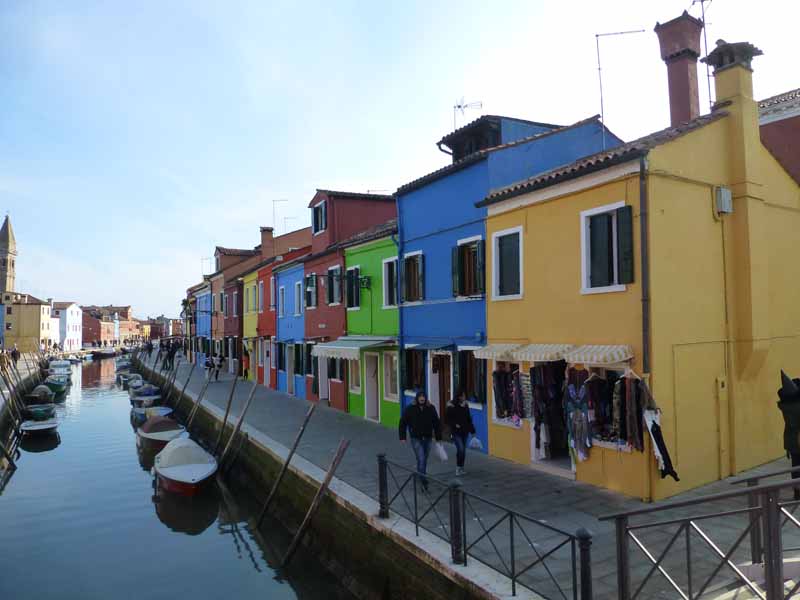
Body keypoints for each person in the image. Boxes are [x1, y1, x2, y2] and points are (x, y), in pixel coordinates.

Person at [398, 391, 442, 490]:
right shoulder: (410, 409)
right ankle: (423, 480)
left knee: (423, 459)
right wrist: (402, 437)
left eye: (423, 397)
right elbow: (403, 422)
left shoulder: (431, 408)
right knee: (421, 458)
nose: (422, 398)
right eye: (420, 397)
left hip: (428, 438)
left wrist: (438, 438)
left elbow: (436, 423)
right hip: (416, 438)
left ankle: (420, 473)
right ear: (417, 398)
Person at [446, 390, 476, 476]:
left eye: (465, 395)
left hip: (465, 431)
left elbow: (468, 419)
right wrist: (455, 424)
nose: (465, 397)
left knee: (462, 450)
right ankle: (458, 468)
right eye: (463, 396)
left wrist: (473, 431)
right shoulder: (451, 406)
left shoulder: (466, 405)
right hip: (456, 432)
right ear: (459, 397)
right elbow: (447, 419)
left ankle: (461, 467)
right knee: (461, 449)